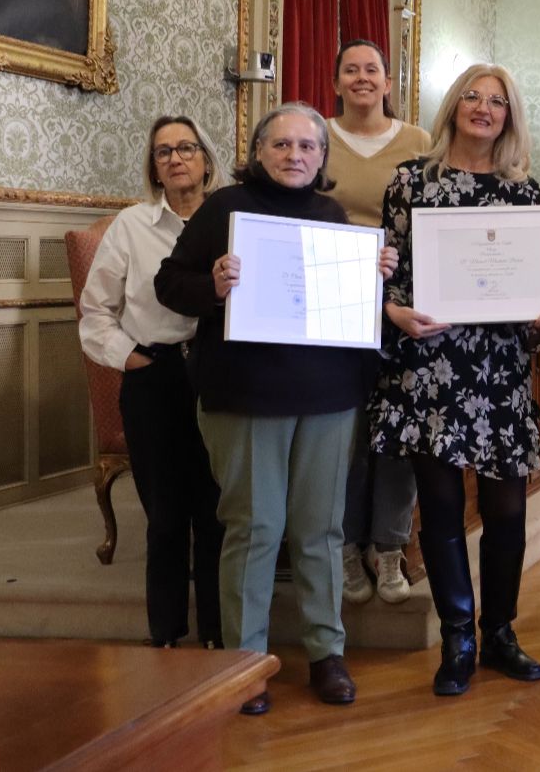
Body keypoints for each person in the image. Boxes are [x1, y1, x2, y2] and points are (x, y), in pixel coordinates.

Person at [155, 104, 397, 716]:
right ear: (259, 150)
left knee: (320, 532)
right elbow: (169, 282)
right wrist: (212, 284)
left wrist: (374, 276)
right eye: (282, 144)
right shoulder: (224, 209)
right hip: (246, 399)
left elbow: (354, 310)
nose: (295, 155)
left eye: (308, 147)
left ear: (322, 158)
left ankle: (326, 652)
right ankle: (245, 660)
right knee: (255, 530)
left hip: (328, 398)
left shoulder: (333, 216)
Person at [366, 64, 540, 696]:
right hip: (429, 367)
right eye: (473, 98)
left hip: (499, 370)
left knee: (507, 506)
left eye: (497, 102)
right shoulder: (410, 181)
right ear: (454, 107)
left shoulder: (523, 193)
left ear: (509, 116)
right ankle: (459, 636)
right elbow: (386, 271)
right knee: (444, 505)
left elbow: (530, 299)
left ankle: (500, 630)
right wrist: (394, 310)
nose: (483, 109)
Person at [78, 115, 227, 650]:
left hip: (219, 373)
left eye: (186, 147)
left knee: (215, 513)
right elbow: (94, 313)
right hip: (155, 375)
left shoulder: (231, 218)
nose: (176, 158)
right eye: (163, 152)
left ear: (207, 159)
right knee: (164, 517)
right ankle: (165, 634)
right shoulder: (130, 226)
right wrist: (129, 357)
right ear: (154, 169)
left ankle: (216, 633)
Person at [324, 39, 430, 608]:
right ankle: (344, 549)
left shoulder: (418, 142)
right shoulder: (315, 136)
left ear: (389, 82)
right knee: (346, 437)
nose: (363, 78)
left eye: (373, 70)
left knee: (398, 436)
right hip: (335, 303)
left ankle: (389, 550)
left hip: (405, 302)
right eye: (351, 69)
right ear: (336, 80)